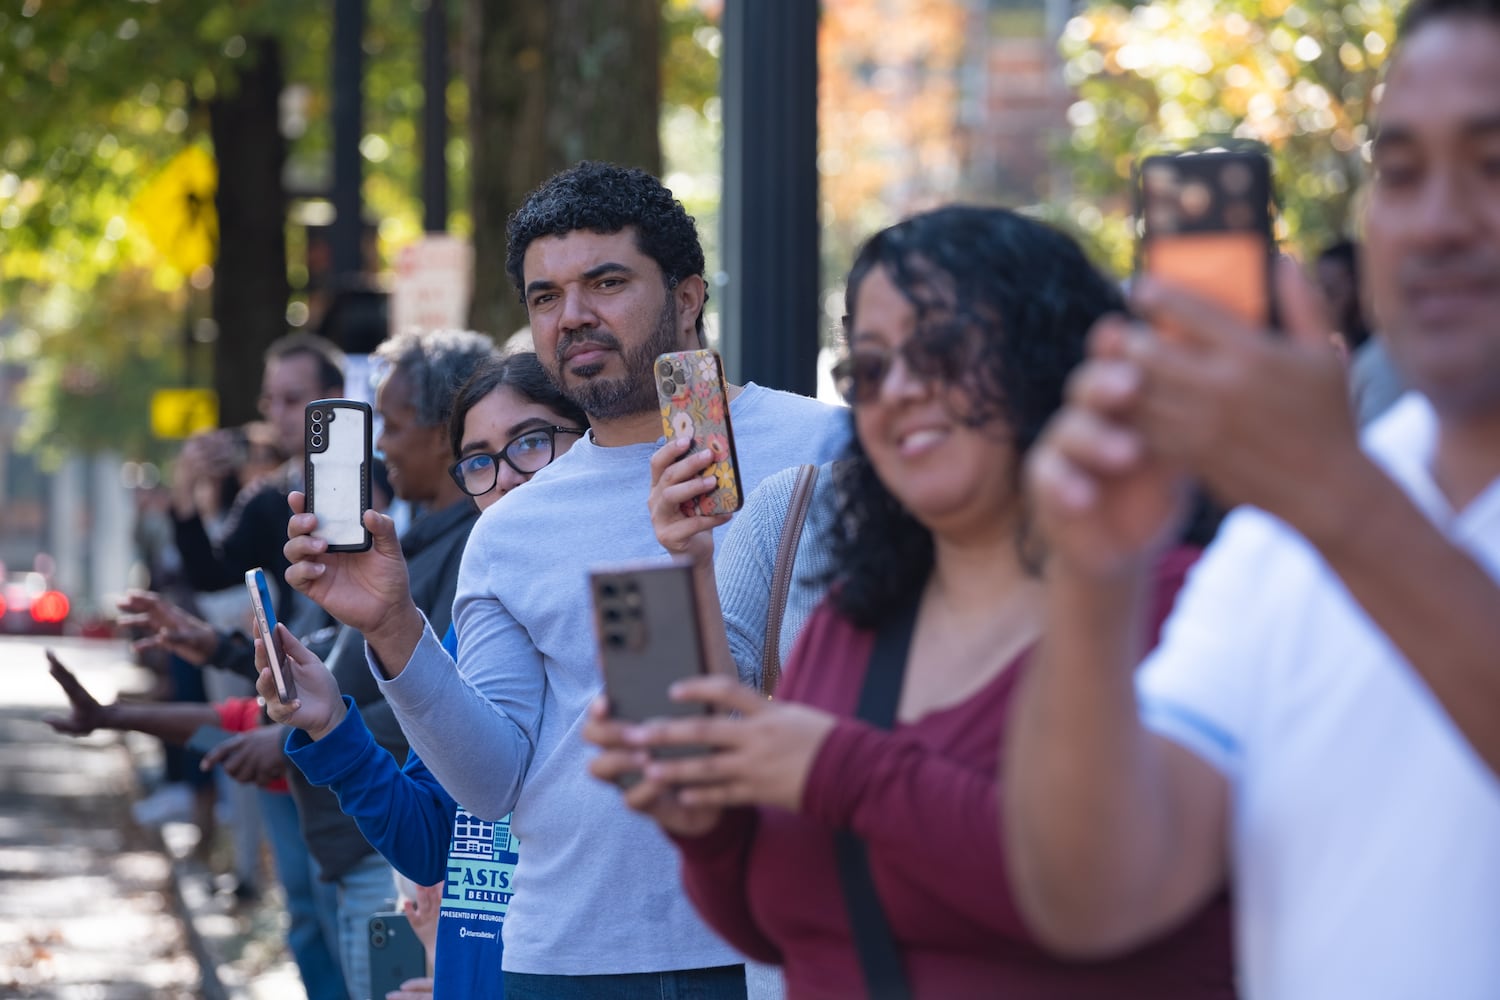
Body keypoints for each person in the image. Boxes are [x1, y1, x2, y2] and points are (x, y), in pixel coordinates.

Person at [585, 206, 1234, 997]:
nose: (902, 391)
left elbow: (1098, 887)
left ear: (1050, 355)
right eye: (872, 367)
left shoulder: (1175, 606)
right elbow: (771, 923)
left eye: (943, 351)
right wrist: (705, 826)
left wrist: (838, 769)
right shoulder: (850, 619)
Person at [1007, 2, 1500, 997]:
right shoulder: (1291, 531)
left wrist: (1335, 498)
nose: (1439, 221)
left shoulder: (1328, 499)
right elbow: (1097, 893)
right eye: (1399, 173)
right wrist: (1094, 578)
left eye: (1494, 165)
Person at [283, 161, 847, 997]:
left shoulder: (824, 451)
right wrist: (395, 627)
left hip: (770, 945)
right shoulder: (512, 526)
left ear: (687, 297)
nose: (574, 315)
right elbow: (493, 782)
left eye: (607, 281)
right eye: (545, 297)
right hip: (566, 954)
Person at [257, 352, 586, 999]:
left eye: (532, 442)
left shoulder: (629, 611)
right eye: (481, 461)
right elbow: (430, 840)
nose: (508, 480)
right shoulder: (474, 627)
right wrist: (330, 724)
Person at [233, 328, 494, 1000]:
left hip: (389, 863)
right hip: (366, 833)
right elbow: (359, 669)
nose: (380, 446)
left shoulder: (476, 552)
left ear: (446, 432)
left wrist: (316, 732)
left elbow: (434, 709)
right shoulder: (407, 542)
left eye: (396, 424)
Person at [41, 651, 349, 1000]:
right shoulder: (266, 727)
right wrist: (114, 715)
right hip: (291, 785)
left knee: (334, 920)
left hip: (357, 821)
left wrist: (284, 743)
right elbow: (233, 729)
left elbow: (251, 733)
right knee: (307, 919)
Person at [171, 333, 346, 617]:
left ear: (334, 399)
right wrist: (184, 490)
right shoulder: (268, 497)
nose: (276, 413)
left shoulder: (382, 485)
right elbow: (211, 574)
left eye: (291, 399)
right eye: (269, 400)